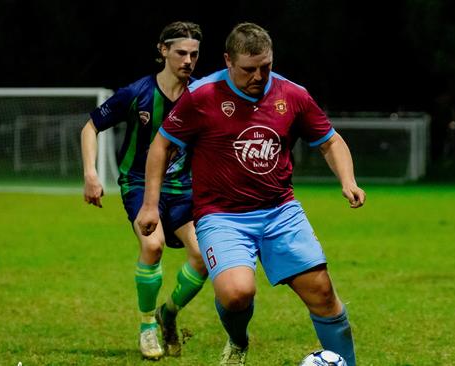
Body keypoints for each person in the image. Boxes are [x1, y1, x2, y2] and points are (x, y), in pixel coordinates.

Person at [135, 22, 365, 365]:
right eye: (248, 69)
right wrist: (151, 205)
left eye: (265, 67)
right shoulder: (202, 96)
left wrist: (347, 180)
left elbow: (329, 140)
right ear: (228, 60)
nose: (258, 76)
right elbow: (162, 144)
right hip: (221, 216)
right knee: (236, 293)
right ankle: (238, 341)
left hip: (280, 212)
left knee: (323, 293)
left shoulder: (293, 95)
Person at [80, 21, 208, 360]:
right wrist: (91, 174)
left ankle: (169, 313)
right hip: (138, 184)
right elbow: (91, 127)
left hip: (183, 189)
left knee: (202, 258)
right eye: (181, 52)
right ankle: (147, 326)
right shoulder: (136, 93)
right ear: (163, 51)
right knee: (153, 246)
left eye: (194, 54)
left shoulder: (202, 96)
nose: (188, 61)